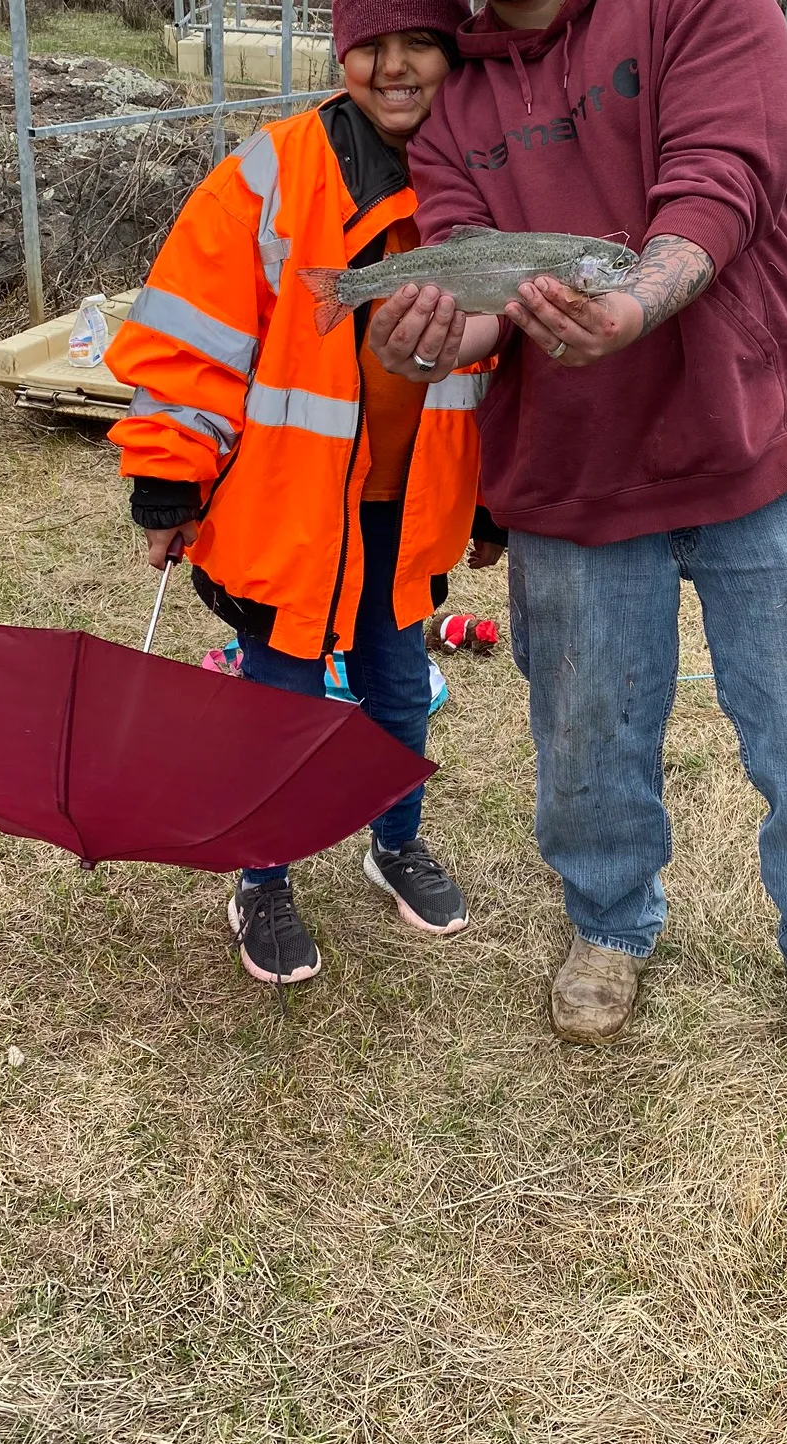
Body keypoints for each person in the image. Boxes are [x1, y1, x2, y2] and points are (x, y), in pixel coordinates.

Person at [367, 0, 787, 1131]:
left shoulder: (706, 8)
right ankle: (610, 924)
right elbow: (481, 306)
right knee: (585, 734)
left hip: (756, 439)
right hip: (571, 471)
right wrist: (427, 336)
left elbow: (722, 183)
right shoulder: (453, 92)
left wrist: (631, 302)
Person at [105, 0, 505, 989]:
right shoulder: (274, 171)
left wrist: (494, 500)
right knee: (276, 714)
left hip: (402, 520)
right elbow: (192, 340)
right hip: (284, 515)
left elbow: (509, 366)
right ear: (343, 52)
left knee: (400, 698)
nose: (397, 67)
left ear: (454, 54)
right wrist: (168, 481)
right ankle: (263, 881)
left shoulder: (485, 181)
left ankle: (396, 842)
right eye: (373, 45)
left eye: (421, 43)